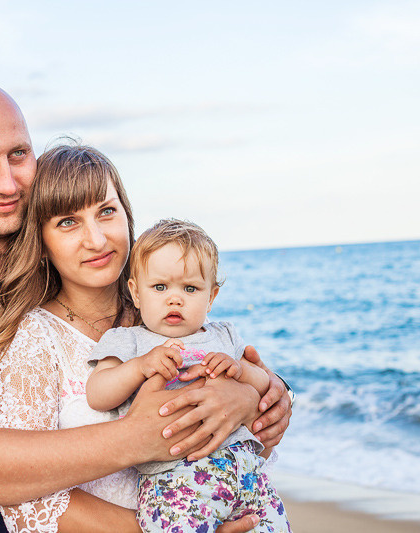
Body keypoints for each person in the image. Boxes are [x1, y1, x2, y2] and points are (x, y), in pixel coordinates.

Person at [0, 78, 293, 532]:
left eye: (18, 154)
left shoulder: (134, 288)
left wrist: (255, 393)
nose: (8, 181)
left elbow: (224, 373)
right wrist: (136, 447)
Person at [0, 143, 291, 532]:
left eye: (106, 212)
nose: (96, 239)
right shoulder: (36, 342)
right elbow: (17, 492)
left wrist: (256, 396)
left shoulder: (168, 316)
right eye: (67, 222)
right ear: (40, 242)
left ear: (127, 216)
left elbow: (256, 434)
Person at [86, 219, 290, 532]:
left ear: (211, 297)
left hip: (248, 476)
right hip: (175, 482)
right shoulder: (129, 341)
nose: (175, 298)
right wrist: (139, 367)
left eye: (190, 288)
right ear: (136, 293)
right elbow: (98, 393)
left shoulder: (224, 336)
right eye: (159, 287)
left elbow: (265, 386)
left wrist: (242, 370)